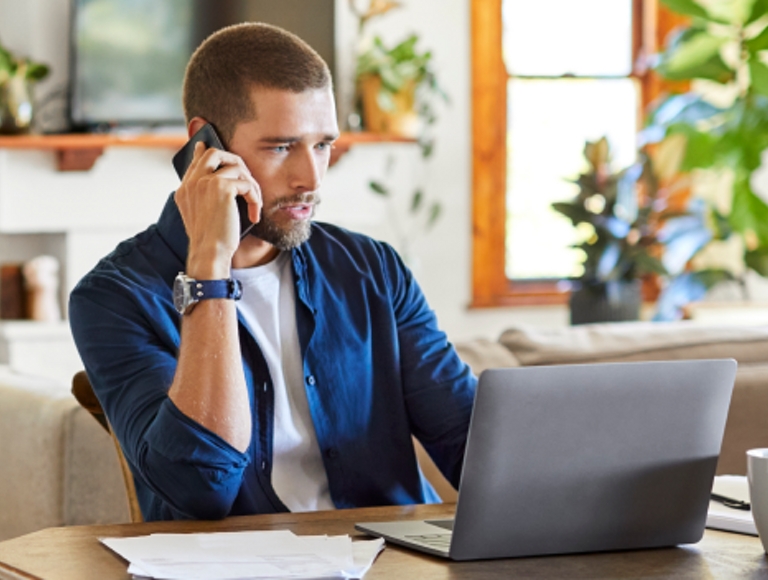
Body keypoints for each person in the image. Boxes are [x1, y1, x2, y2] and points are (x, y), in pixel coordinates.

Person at [69, 22, 476, 522]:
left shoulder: (372, 268)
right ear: (205, 144)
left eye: (323, 144)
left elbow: (469, 446)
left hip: (393, 562)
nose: (311, 177)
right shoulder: (113, 298)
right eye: (281, 147)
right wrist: (209, 269)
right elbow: (201, 487)